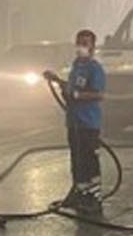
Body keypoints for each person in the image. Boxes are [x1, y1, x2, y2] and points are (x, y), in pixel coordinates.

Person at [46, 29, 107, 215]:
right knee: (77, 160)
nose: (82, 47)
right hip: (73, 122)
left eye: (86, 43)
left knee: (89, 161)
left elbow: (99, 94)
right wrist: (57, 80)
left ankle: (94, 198)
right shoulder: (76, 67)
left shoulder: (94, 69)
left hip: (88, 123)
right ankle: (79, 194)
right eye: (79, 43)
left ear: (93, 47)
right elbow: (71, 88)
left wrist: (77, 95)